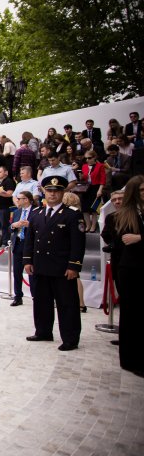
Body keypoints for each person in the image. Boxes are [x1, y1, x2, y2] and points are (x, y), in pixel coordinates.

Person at [23, 176, 86, 351]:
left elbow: (78, 243)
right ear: (44, 192)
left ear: (62, 193)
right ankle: (43, 331)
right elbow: (30, 239)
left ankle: (70, 338)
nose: (52, 194)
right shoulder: (37, 213)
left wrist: (74, 265)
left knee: (67, 304)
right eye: (49, 191)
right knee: (41, 301)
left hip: (62, 268)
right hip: (41, 266)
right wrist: (27, 260)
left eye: (56, 191)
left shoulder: (72, 215)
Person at [107, 175, 144, 376]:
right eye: (141, 191)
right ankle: (131, 359)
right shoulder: (124, 215)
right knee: (132, 313)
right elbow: (123, 240)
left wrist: (140, 238)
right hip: (131, 267)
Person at [100, 189, 125, 345]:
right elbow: (106, 234)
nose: (117, 202)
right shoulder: (111, 218)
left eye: (120, 199)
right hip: (118, 260)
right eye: (114, 199)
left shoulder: (136, 216)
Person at [9, 191, 34, 306]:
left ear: (27, 199)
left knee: (32, 271)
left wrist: (30, 225)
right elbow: (10, 227)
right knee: (17, 272)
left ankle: (35, 295)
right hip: (18, 242)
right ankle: (18, 296)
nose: (17, 200)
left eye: (19, 198)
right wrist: (15, 225)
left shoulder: (36, 211)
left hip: (31, 244)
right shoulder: (16, 212)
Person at [80, 150, 106, 232]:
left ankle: (94, 225)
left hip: (96, 188)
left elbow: (103, 179)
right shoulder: (84, 166)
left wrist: (100, 190)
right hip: (86, 188)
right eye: (86, 158)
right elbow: (83, 178)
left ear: (94, 157)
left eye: (89, 158)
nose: (87, 160)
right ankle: (88, 225)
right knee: (85, 208)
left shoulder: (100, 166)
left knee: (94, 209)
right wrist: (81, 176)